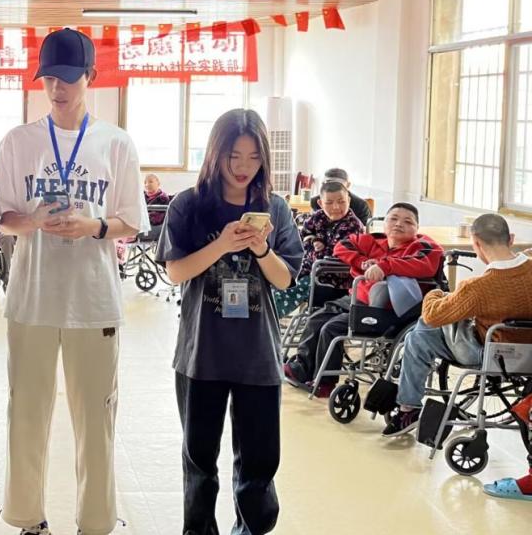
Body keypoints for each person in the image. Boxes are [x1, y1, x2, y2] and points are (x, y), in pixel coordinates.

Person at [0, 28, 149, 535]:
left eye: (67, 78)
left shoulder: (116, 143)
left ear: (90, 77)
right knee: (26, 414)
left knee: (96, 420)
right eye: (48, 79)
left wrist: (94, 227)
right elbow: (3, 218)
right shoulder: (19, 141)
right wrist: (33, 220)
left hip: (93, 301)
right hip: (32, 299)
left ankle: (96, 522)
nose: (57, 88)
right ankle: (27, 518)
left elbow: (132, 221)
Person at [157, 109, 303, 535]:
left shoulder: (274, 208)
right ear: (215, 154)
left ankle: (251, 530)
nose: (243, 167)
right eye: (233, 156)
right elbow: (176, 272)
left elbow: (284, 278)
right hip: (201, 353)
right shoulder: (188, 205)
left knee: (260, 463)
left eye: (253, 157)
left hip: (258, 356)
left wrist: (261, 249)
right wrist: (221, 245)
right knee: (199, 461)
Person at [383, 213, 532, 437]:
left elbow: (433, 316)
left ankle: (407, 408)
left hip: (489, 356)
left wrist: (435, 293)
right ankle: (406, 404)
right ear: (511, 239)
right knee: (425, 331)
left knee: (422, 330)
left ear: (476, 244)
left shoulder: (478, 288)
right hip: (528, 355)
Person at [284, 203, 443, 397]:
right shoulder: (373, 241)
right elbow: (342, 246)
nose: (399, 224)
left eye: (407, 222)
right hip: (358, 299)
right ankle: (301, 368)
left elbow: (423, 265)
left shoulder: (425, 246)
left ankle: (325, 382)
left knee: (331, 328)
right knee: (317, 318)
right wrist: (361, 262)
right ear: (384, 223)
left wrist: (384, 266)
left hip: (391, 309)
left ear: (417, 228)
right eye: (393, 219)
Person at [272, 180, 365, 318]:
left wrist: (311, 248)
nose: (336, 207)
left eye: (341, 202)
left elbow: (332, 256)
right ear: (321, 203)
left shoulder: (353, 225)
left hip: (331, 278)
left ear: (349, 200)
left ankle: (269, 319)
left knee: (287, 290)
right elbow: (299, 237)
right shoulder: (318, 216)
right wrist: (312, 240)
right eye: (329, 203)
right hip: (307, 270)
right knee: (272, 280)